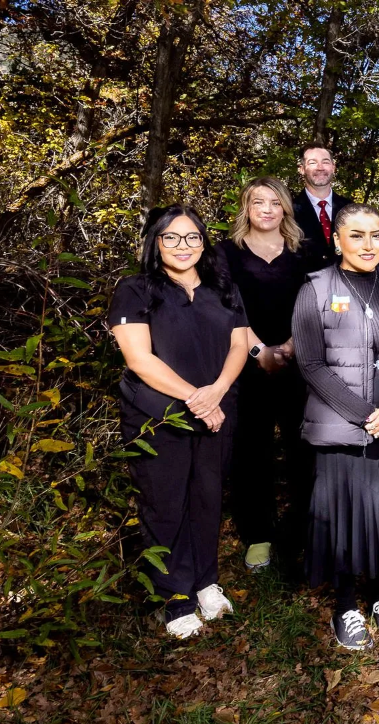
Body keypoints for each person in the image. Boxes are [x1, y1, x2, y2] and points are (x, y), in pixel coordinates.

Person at [291, 203, 379, 649]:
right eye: (357, 235)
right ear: (337, 239)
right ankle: (346, 605)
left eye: (376, 235)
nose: (369, 244)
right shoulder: (315, 289)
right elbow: (311, 364)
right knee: (347, 517)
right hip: (345, 427)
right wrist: (365, 416)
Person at [109, 205, 247, 639]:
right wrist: (196, 398)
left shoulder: (221, 287)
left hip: (217, 412)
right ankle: (174, 598)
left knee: (207, 499)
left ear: (204, 244)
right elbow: (139, 359)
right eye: (171, 237)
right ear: (155, 242)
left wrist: (217, 392)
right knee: (165, 504)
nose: (183, 246)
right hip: (158, 417)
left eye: (192, 238)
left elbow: (239, 344)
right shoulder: (134, 290)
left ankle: (205, 581)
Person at [217, 177, 313, 574]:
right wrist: (259, 351)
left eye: (275, 202)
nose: (268, 210)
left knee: (302, 449)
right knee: (251, 451)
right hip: (245, 365)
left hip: (299, 361)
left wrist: (290, 345)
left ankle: (304, 529)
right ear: (247, 208)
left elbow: (316, 300)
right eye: (259, 203)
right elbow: (223, 305)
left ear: (285, 208)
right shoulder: (226, 252)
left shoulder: (303, 250)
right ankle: (258, 535)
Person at [292, 144, 354, 270]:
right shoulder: (288, 210)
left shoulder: (351, 209)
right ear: (302, 169)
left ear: (333, 167)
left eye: (325, 162)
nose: (320, 168)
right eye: (313, 163)